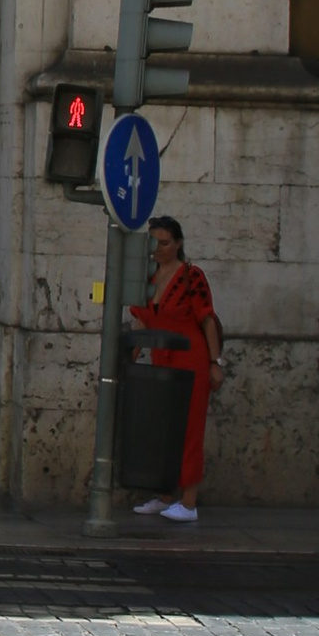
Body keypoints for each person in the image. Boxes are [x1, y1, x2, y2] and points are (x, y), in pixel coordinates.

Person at [129, 215, 224, 522]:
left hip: (190, 359)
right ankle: (166, 494)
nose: (159, 248)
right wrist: (129, 355)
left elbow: (207, 319)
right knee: (161, 429)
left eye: (165, 243)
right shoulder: (148, 277)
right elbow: (142, 318)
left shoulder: (191, 275)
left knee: (189, 429)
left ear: (179, 244)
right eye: (154, 242)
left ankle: (189, 501)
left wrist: (214, 362)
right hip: (161, 359)